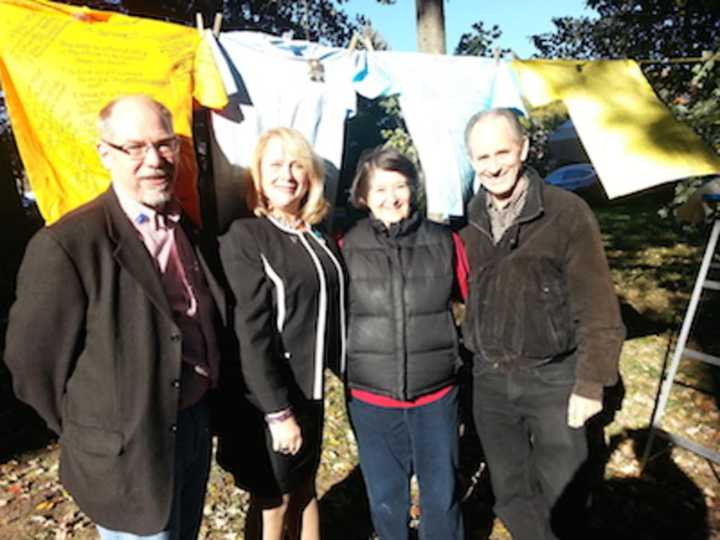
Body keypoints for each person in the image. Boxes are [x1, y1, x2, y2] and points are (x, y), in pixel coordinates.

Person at [4, 94, 226, 539]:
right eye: (135, 147)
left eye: (165, 144)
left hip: (194, 428)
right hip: (130, 453)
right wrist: (101, 431)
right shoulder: (68, 246)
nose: (154, 160)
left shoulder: (185, 229)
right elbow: (32, 368)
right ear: (105, 153)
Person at [461, 108, 625, 540]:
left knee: (565, 494)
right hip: (490, 382)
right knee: (510, 491)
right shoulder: (470, 220)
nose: (494, 166)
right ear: (471, 160)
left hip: (552, 379)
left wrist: (591, 384)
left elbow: (598, 304)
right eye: (482, 157)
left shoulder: (565, 213)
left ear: (525, 149)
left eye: (503, 152)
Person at [217, 127, 345, 540]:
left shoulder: (320, 238)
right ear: (258, 174)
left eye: (296, 165)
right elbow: (250, 333)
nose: (286, 174)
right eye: (275, 164)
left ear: (310, 175)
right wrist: (277, 412)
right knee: (274, 501)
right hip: (270, 395)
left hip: (312, 391)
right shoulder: (246, 236)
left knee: (306, 487)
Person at [342, 147, 466, 540]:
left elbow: (474, 303)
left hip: (436, 395)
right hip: (372, 398)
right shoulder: (344, 247)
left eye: (401, 185)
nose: (391, 197)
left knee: (442, 495)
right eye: (380, 188)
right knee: (385, 498)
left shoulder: (445, 242)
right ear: (363, 195)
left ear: (414, 189)